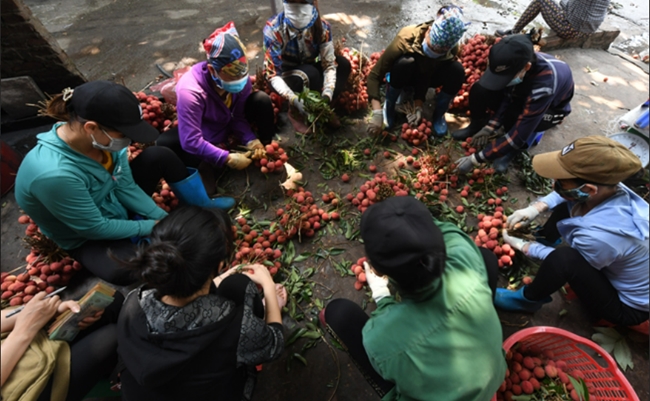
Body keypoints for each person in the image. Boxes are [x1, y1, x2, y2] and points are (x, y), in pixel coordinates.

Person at [14, 81, 234, 286]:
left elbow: (124, 186)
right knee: (123, 270)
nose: (128, 142)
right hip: (88, 235)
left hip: (115, 202)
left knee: (158, 155)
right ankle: (150, 244)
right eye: (123, 134)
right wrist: (150, 227)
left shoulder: (106, 143)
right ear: (91, 128)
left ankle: (202, 206)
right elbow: (95, 227)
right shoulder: (54, 175)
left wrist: (161, 218)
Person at [320, 196, 506, 400]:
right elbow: (442, 230)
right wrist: (408, 219)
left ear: (381, 271)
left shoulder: (380, 337)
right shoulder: (464, 255)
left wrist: (382, 296)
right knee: (487, 258)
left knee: (338, 314)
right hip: (491, 377)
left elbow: (389, 348)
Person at [116, 206, 285, 401]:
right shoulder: (234, 327)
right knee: (239, 286)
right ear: (220, 264)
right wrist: (269, 287)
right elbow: (275, 345)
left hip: (146, 391)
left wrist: (220, 276)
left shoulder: (134, 302)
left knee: (233, 284)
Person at [495, 136, 648, 329]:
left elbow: (570, 263)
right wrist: (537, 207)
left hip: (626, 306)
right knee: (569, 200)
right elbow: (568, 193)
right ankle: (547, 238)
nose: (553, 185)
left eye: (560, 181)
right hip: (615, 259)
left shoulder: (602, 237)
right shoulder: (609, 186)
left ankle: (527, 300)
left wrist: (526, 247)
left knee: (565, 260)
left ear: (590, 189)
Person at [158, 22, 274, 196]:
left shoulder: (241, 83)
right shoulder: (190, 91)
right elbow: (191, 140)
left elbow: (238, 116)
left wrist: (251, 140)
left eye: (243, 73)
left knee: (261, 100)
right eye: (234, 75)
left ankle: (263, 148)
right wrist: (226, 158)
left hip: (227, 124)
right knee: (168, 144)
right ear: (213, 70)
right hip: (207, 133)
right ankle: (210, 164)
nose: (241, 79)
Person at [453, 34, 574, 173]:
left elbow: (521, 130)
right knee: (480, 89)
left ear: (527, 67)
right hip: (523, 96)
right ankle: (476, 125)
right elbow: (508, 97)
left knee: (516, 120)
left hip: (550, 111)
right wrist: (490, 127)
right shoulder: (514, 63)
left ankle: (513, 152)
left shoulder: (544, 85)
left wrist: (476, 159)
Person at [1, 290, 124, 401]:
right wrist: (24, 330)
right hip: (19, 387)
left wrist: (42, 313)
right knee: (111, 337)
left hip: (15, 340)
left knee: (110, 300)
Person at [366, 5, 468, 137]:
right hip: (406, 73)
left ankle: (439, 115)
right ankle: (389, 107)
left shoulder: (452, 48)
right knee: (405, 62)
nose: (434, 53)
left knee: (457, 70)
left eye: (440, 52)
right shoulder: (406, 36)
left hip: (426, 77)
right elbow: (374, 76)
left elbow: (427, 73)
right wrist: (377, 112)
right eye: (432, 47)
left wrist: (418, 105)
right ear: (428, 31)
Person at [263, 0, 351, 124]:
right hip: (284, 75)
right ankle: (295, 112)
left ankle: (323, 108)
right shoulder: (274, 30)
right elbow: (272, 75)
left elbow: (329, 64)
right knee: (311, 74)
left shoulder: (322, 27)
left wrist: (328, 93)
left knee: (343, 65)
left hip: (307, 69)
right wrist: (293, 99)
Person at [496, 0, 612, 40]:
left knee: (541, 1)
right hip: (588, 30)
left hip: (571, 30)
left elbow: (568, 5)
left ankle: (513, 32)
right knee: (562, 4)